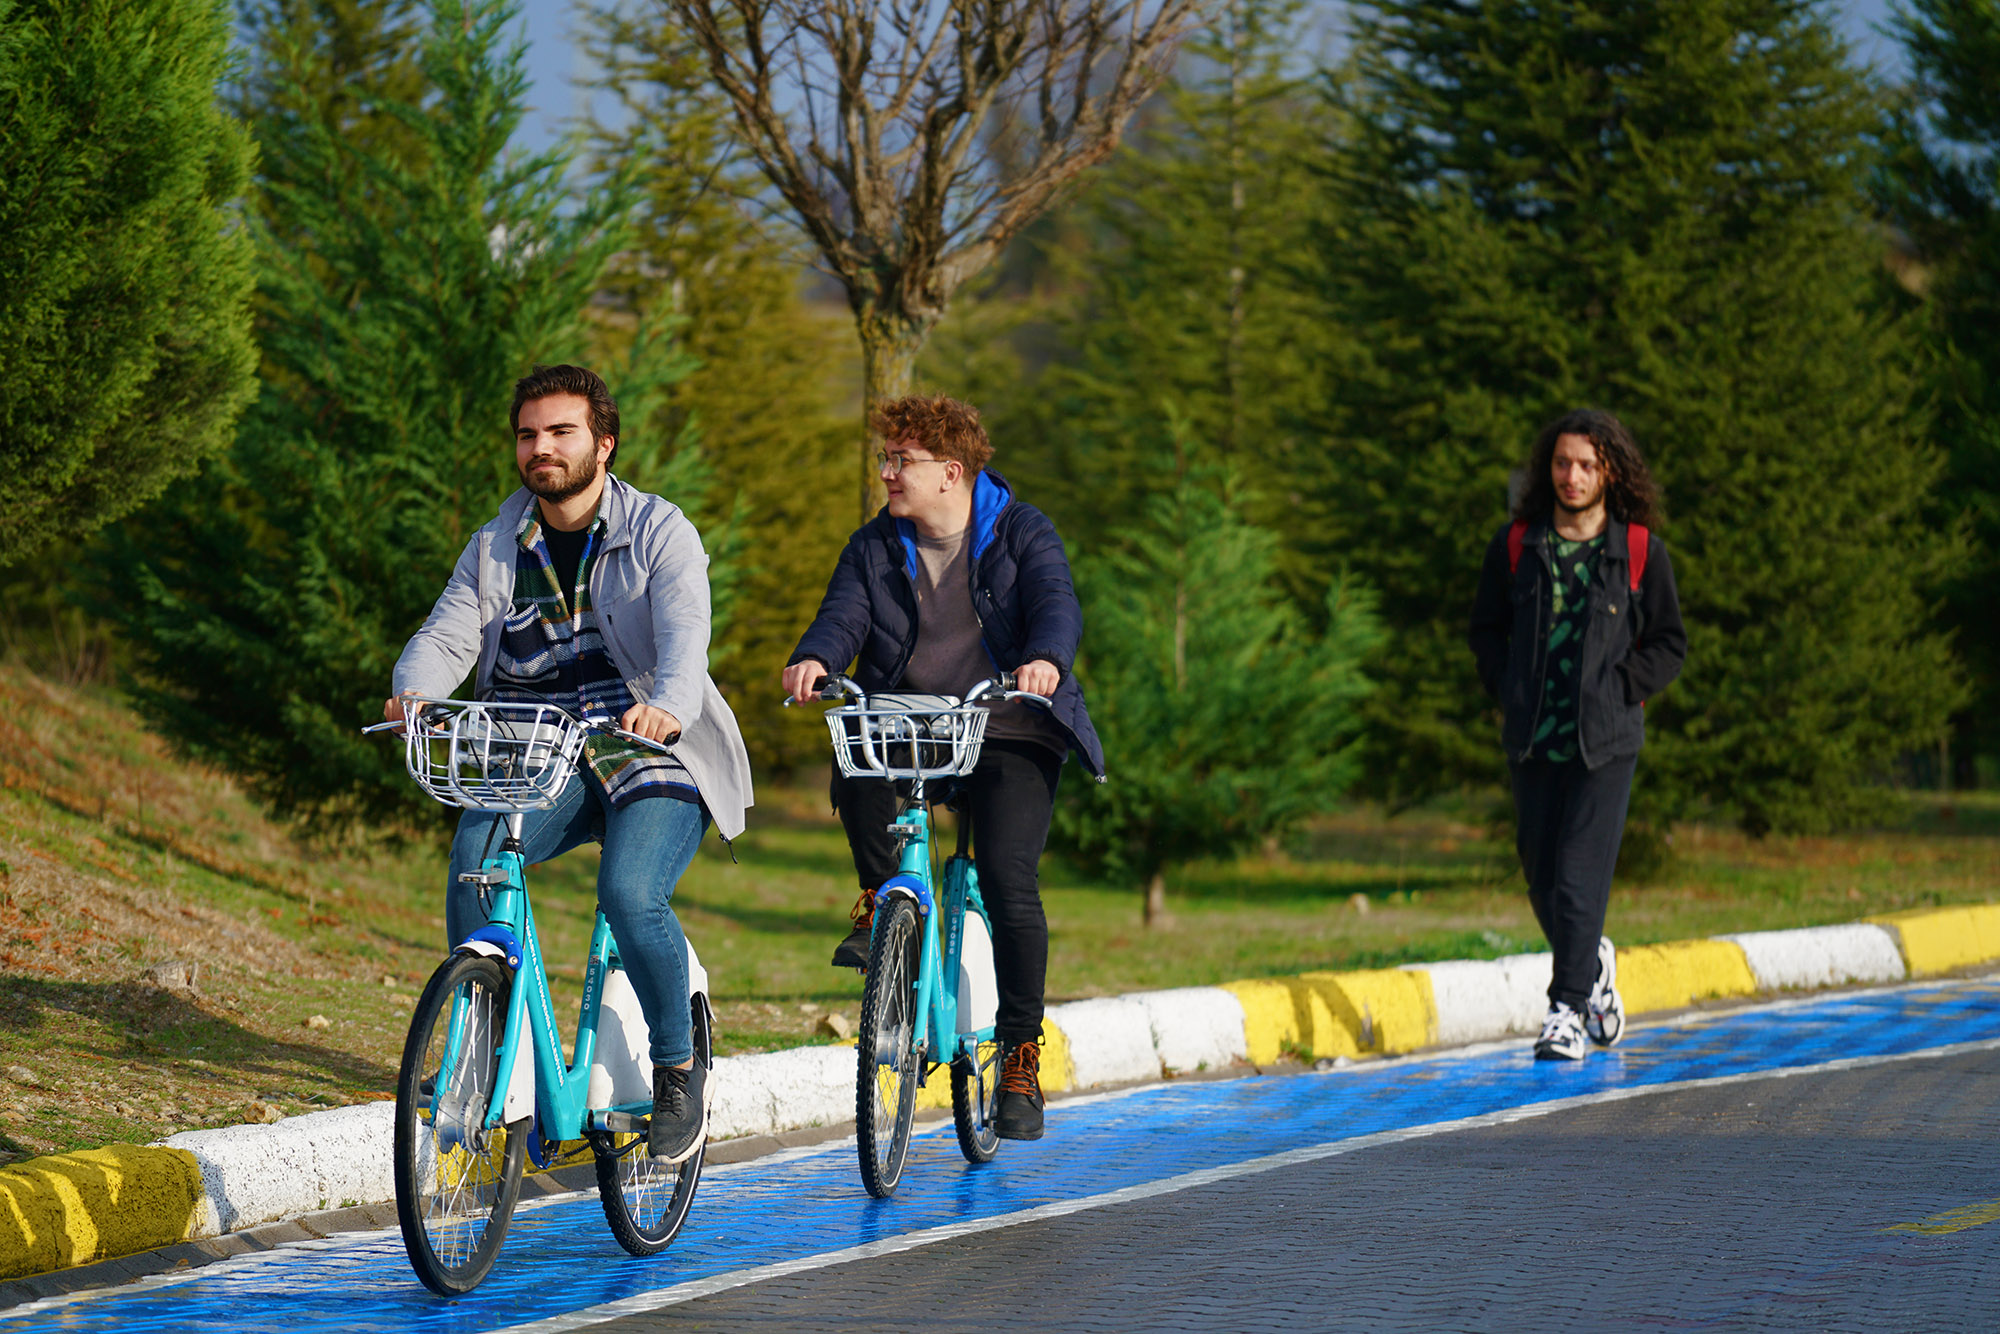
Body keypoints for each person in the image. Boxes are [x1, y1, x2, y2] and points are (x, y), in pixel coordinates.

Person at [386, 364, 752, 1159]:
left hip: (650, 746)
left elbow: (687, 634)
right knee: (472, 867)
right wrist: (414, 692)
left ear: (604, 444)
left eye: (561, 432)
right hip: (538, 752)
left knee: (629, 891)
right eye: (528, 435)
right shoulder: (495, 545)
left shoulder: (660, 528)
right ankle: (485, 1058)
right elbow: (448, 633)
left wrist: (670, 706)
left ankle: (678, 1065)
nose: (541, 448)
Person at [782, 394, 1103, 1140]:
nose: (887, 474)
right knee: (857, 750)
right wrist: (816, 656)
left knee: (1007, 878)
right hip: (916, 725)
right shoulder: (874, 544)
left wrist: (1047, 660)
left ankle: (1021, 1054)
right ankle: (881, 902)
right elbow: (843, 614)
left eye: (902, 461)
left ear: (951, 473)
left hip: (1010, 727)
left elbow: (1058, 603)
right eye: (885, 459)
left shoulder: (1021, 532)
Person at [1468, 408, 1686, 1061]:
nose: (1573, 475)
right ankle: (1590, 965)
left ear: (1610, 472)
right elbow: (1485, 630)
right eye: (1563, 463)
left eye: (1587, 464)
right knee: (1540, 875)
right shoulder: (1517, 546)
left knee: (1578, 877)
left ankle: (1565, 1010)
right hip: (1535, 739)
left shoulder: (1639, 550)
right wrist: (1505, 686)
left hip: (1606, 742)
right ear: (1548, 469)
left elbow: (1670, 643)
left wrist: (1625, 687)